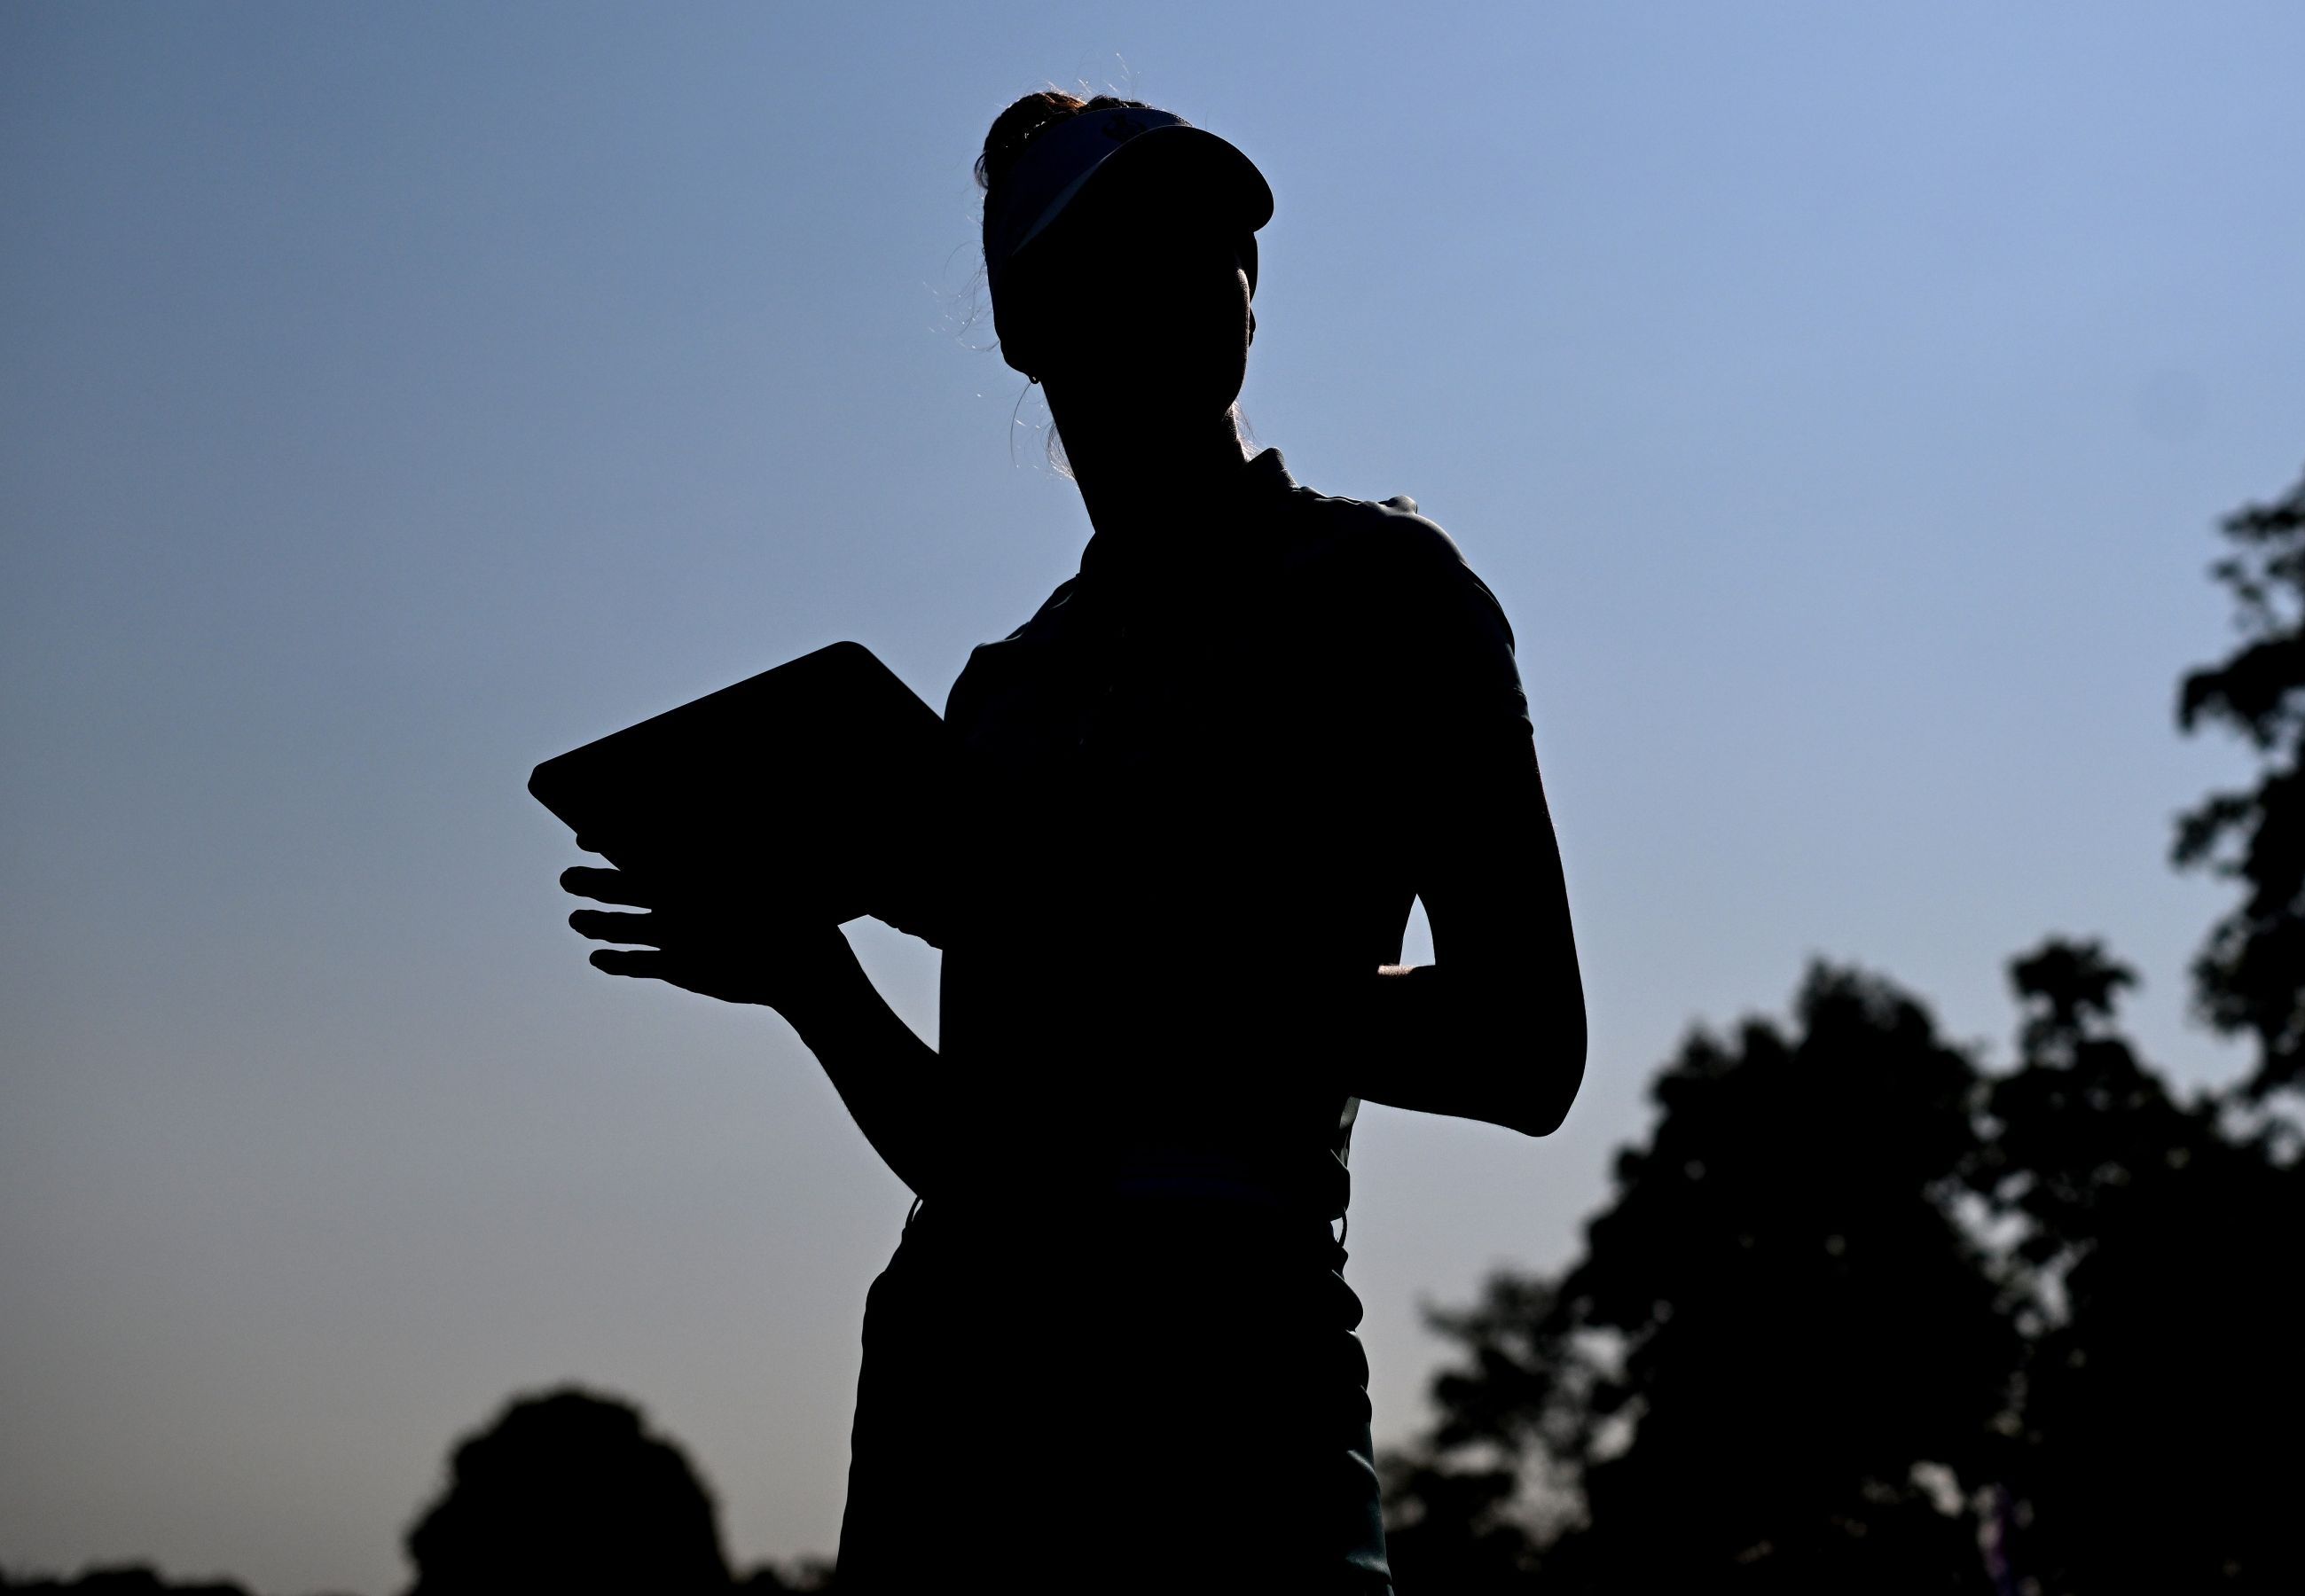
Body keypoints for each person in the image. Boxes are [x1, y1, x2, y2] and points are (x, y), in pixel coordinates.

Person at [560, 90, 1585, 1592]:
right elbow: (983, 1156)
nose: (1205, 264)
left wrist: (1062, 934)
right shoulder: (1006, 695)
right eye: (1132, 244)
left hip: (1230, 1385)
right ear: (1027, 325)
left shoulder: (1387, 593)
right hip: (959, 1404)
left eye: (1218, 237)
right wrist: (810, 976)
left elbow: (1523, 1046)